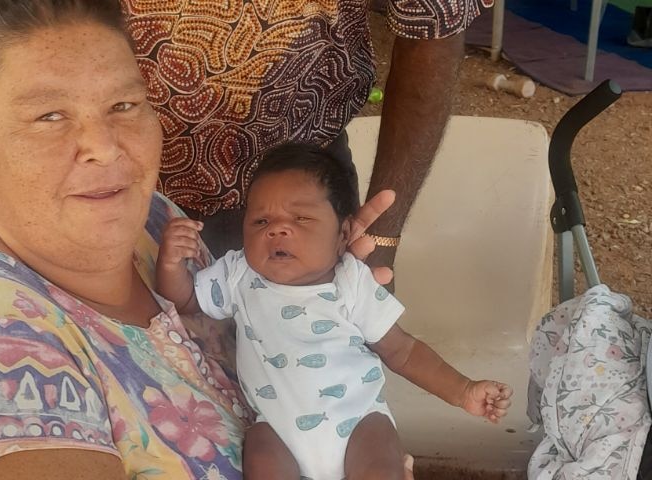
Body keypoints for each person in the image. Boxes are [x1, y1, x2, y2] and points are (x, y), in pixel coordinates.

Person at [0, 1, 398, 479]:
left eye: (124, 104)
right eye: (50, 115)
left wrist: (308, 294)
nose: (105, 146)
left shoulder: (150, 219)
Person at [156, 143, 513, 480]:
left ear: (343, 234)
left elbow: (403, 351)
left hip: (359, 423)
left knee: (380, 470)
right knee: (260, 454)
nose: (278, 229)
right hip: (277, 430)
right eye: (260, 222)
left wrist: (463, 390)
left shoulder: (351, 282)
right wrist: (171, 264)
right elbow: (186, 301)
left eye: (301, 218)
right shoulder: (238, 275)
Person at [118, 0, 490, 274]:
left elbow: (432, 34)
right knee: (152, 362)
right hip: (115, 181)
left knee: (312, 359)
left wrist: (381, 241)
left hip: (304, 189)